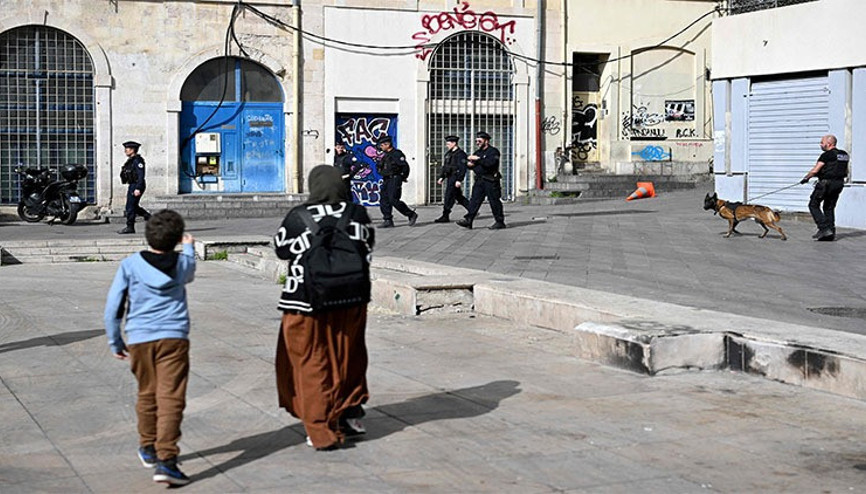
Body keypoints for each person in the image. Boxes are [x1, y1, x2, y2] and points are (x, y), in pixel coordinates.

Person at [273, 165, 374, 450]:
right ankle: (348, 412)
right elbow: (367, 247)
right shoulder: (357, 214)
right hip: (350, 299)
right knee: (347, 356)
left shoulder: (298, 216)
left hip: (304, 301)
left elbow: (281, 250)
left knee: (311, 362)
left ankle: (320, 429)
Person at [103, 210, 196, 486]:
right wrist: (188, 247)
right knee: (171, 398)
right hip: (173, 338)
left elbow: (113, 309)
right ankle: (167, 460)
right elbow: (189, 272)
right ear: (177, 238)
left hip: (139, 338)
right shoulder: (181, 264)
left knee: (147, 393)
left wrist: (115, 341)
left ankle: (147, 447)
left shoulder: (130, 265)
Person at [801, 134, 849, 241]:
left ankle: (824, 228)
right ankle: (830, 233)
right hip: (838, 184)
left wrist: (806, 178)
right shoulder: (844, 155)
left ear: (829, 143)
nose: (821, 144)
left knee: (813, 204)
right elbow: (846, 171)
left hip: (826, 184)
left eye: (822, 142)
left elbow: (815, 170)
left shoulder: (827, 155)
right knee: (829, 207)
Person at [456, 131, 507, 230]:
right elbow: (473, 165)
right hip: (480, 180)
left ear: (486, 141)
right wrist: (469, 164)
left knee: (494, 201)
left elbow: (490, 163)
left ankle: (499, 221)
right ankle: (469, 220)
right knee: (474, 201)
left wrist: (478, 160)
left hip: (491, 180)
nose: (477, 143)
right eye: (476, 141)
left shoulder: (493, 152)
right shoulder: (478, 152)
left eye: (479, 140)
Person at [376, 135, 418, 228]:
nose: (381, 147)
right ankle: (387, 219)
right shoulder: (385, 155)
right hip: (386, 179)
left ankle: (410, 214)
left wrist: (403, 177)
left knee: (393, 200)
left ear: (388, 144)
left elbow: (405, 166)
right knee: (384, 199)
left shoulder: (396, 154)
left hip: (395, 179)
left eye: (382, 145)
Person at [434, 135, 470, 223]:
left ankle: (445, 215)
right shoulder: (448, 154)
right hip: (449, 177)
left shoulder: (461, 154)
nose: (447, 145)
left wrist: (459, 180)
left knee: (448, 196)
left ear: (454, 143)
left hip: (455, 177)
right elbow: (445, 167)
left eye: (448, 144)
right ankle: (472, 209)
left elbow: (462, 168)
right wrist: (442, 177)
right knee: (458, 197)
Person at [118, 141, 151, 234]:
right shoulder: (131, 160)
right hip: (132, 184)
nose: (125, 151)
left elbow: (141, 175)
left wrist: (138, 188)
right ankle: (149, 217)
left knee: (130, 207)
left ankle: (130, 227)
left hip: (136, 185)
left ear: (132, 150)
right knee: (133, 206)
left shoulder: (138, 160)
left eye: (127, 149)